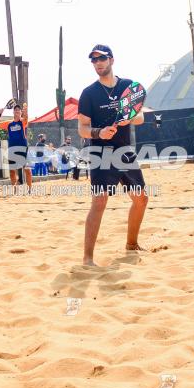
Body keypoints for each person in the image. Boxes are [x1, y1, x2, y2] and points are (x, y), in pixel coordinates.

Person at [77, 44, 148, 266]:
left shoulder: (128, 87)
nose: (98, 63)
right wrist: (100, 132)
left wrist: (129, 119)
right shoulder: (88, 93)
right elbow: (82, 128)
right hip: (100, 152)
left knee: (141, 199)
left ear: (111, 60)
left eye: (102, 59)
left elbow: (140, 118)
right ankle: (88, 259)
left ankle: (131, 243)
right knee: (99, 201)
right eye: (94, 60)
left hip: (124, 151)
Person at [0, 103, 32, 188]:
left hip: (23, 148)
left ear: (20, 112)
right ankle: (14, 188)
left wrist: (25, 111)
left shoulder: (23, 122)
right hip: (12, 149)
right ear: (13, 112)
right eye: (15, 110)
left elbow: (26, 117)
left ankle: (30, 189)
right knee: (11, 171)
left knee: (27, 170)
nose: (17, 111)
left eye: (18, 110)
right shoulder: (9, 124)